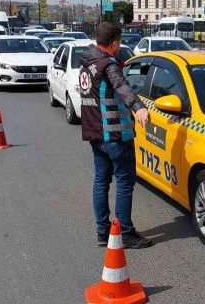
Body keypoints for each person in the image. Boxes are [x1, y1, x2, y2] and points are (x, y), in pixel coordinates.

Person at [80, 22, 153, 249]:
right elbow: (121, 85)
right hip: (114, 135)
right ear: (114, 43)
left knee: (101, 181)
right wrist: (138, 106)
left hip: (94, 133)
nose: (120, 47)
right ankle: (125, 233)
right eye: (119, 44)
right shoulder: (108, 65)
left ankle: (103, 232)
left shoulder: (87, 63)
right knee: (124, 182)